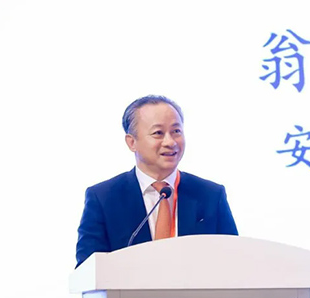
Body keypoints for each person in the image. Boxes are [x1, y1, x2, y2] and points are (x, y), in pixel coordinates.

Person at [75, 95, 238, 267]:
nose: (170, 142)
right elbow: (88, 269)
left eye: (176, 131)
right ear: (132, 142)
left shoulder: (210, 195)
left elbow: (234, 260)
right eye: (158, 133)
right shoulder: (103, 198)